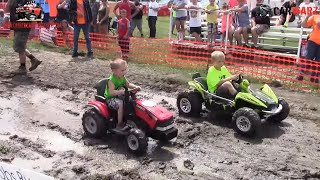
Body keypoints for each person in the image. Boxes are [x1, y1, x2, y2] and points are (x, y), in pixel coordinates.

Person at [104, 58, 141, 133]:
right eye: (122, 70)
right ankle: (119, 124)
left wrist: (135, 87)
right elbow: (111, 93)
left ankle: (133, 118)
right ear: (114, 71)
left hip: (119, 96)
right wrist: (121, 92)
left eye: (125, 69)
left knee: (132, 100)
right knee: (120, 104)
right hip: (110, 99)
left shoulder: (122, 77)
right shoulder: (111, 80)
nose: (125, 72)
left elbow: (128, 84)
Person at [5, 0, 42, 75]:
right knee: (20, 46)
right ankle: (33, 60)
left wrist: (33, 29)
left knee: (19, 47)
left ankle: (23, 68)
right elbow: (7, 9)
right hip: (16, 26)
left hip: (24, 27)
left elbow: (35, 14)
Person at [297, 10, 320, 83]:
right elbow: (304, 25)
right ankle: (301, 75)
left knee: (318, 61)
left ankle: (315, 77)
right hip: (313, 41)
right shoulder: (314, 17)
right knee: (308, 58)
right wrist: (307, 16)